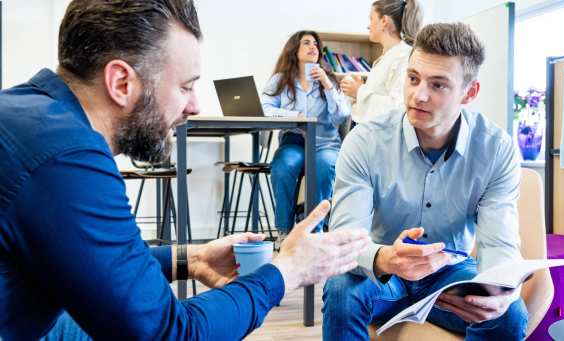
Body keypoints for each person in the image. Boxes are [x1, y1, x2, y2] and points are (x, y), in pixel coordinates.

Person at [0, 1, 370, 340]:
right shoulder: (67, 158)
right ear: (121, 83)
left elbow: (108, 265)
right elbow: (170, 333)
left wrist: (190, 258)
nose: (194, 106)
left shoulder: (29, 112)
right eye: (185, 87)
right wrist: (286, 272)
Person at [322, 22, 529, 340]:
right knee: (341, 288)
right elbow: (345, 239)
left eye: (438, 85)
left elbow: (498, 244)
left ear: (469, 92)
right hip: (385, 274)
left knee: (509, 314)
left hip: (449, 275)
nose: (418, 95)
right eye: (413, 78)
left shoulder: (495, 149)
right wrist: (384, 258)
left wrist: (501, 291)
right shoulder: (364, 140)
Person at [261, 30, 351, 246]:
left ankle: (313, 232)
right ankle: (284, 230)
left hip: (325, 142)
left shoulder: (328, 80)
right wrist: (294, 116)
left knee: (324, 166)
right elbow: (265, 109)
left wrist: (328, 86)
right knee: (284, 166)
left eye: (316, 44)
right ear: (295, 49)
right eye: (306, 43)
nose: (313, 47)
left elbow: (342, 116)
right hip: (294, 141)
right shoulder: (281, 80)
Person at [340, 0, 422, 123]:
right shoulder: (386, 58)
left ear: (384, 21)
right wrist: (354, 93)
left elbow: (398, 107)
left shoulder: (404, 57)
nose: (368, 26)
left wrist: (359, 91)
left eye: (371, 19)